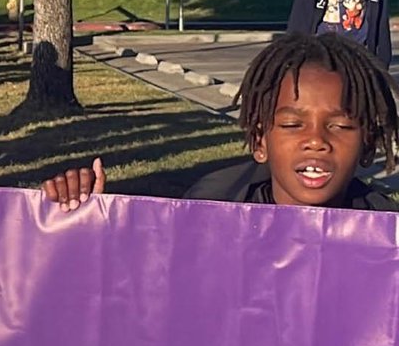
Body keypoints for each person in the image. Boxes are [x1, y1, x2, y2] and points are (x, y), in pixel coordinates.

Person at [43, 32, 398, 212]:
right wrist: (89, 220)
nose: (316, 141)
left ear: (368, 144)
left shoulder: (388, 235)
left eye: (340, 125)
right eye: (292, 125)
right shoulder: (210, 210)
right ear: (260, 141)